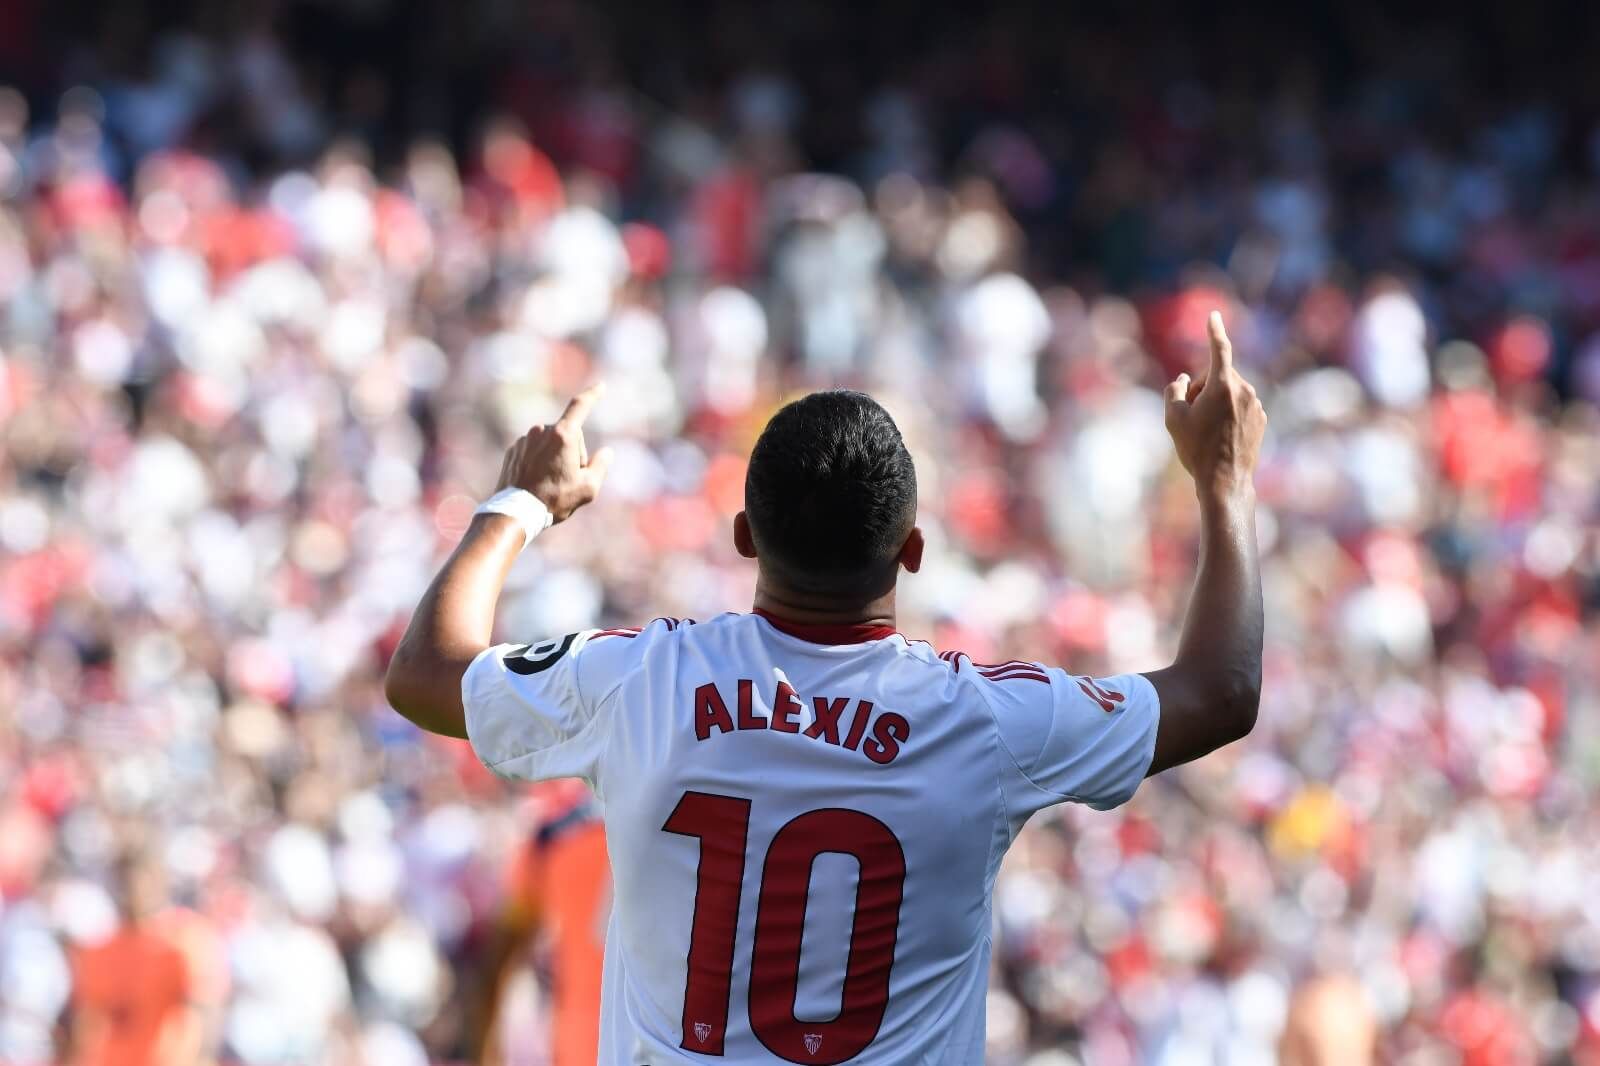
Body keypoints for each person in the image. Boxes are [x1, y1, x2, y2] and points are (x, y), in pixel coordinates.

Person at [385, 311, 1266, 1063]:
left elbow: (424, 674)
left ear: (743, 536)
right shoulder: (985, 718)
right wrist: (1223, 483)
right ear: (911, 552)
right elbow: (1221, 691)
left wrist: (520, 504)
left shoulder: (639, 679)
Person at [474, 783, 609, 1066]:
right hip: (666, 1035)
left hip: (586, 1036)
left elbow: (504, 950)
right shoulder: (554, 832)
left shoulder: (557, 830)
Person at [67, 854, 204, 1066]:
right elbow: (88, 1022)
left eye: (139, 884)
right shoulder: (98, 952)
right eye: (124, 884)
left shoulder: (179, 946)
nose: (131, 893)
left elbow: (197, 1014)